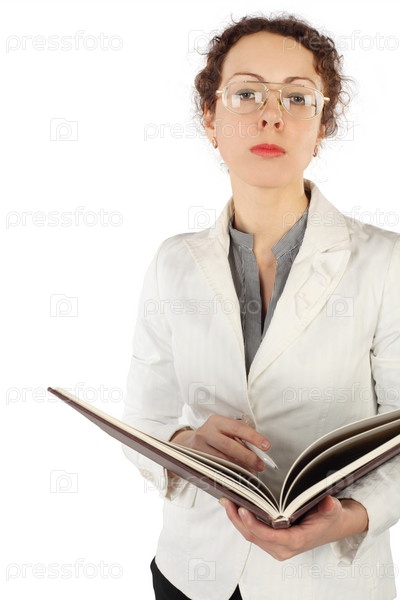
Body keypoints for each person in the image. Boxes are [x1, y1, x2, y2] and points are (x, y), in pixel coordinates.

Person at [122, 13, 400, 600]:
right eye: (246, 93)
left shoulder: (386, 262)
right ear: (211, 119)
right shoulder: (174, 262)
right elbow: (143, 418)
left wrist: (349, 518)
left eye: (297, 98)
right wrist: (184, 445)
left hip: (329, 582)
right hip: (191, 571)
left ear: (320, 126)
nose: (271, 115)